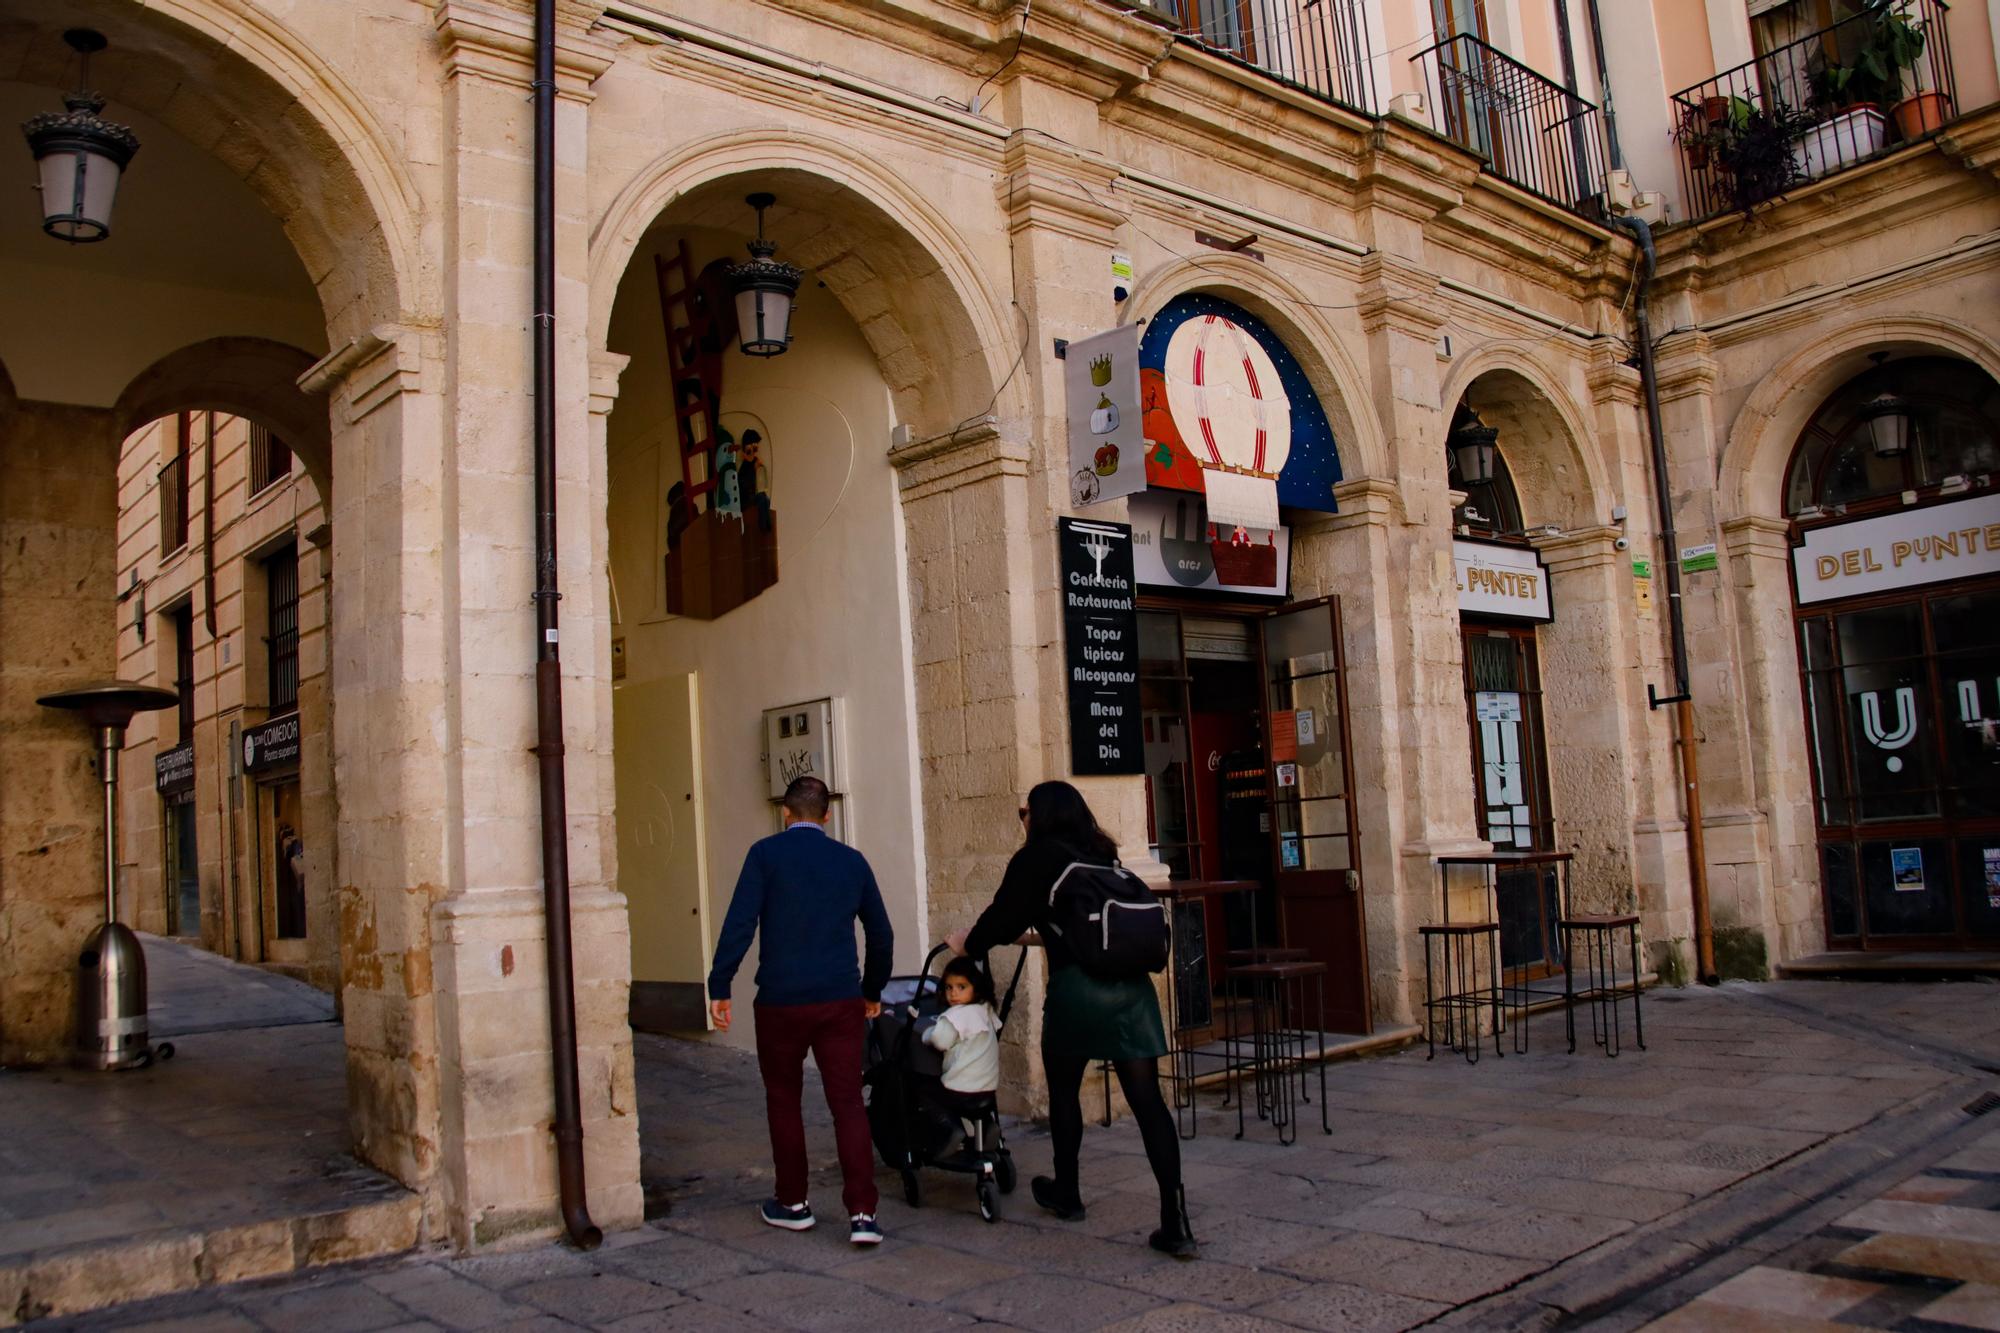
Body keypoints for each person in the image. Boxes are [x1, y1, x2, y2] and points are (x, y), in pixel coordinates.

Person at [950, 781, 1196, 1258]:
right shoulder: (1101, 853)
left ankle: (1069, 1192)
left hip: (1078, 991)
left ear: (1040, 815)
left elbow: (1002, 918)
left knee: (1065, 1091)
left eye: (1025, 810)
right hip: (1131, 991)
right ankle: (1175, 1217)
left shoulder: (1036, 858)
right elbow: (1086, 926)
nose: (1022, 818)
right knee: (1148, 1104)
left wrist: (969, 945)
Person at [707, 775, 893, 1246]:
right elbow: (881, 934)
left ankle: (792, 1203)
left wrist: (720, 983)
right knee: (848, 1103)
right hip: (840, 1000)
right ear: (827, 816)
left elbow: (740, 922)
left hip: (781, 1000)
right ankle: (863, 1215)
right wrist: (872, 989)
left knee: (784, 1099)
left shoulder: (765, 855)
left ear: (785, 813)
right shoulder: (852, 862)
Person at [925, 956, 1001, 1101]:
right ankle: (984, 1122)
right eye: (949, 987)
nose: (954, 993)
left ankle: (951, 1124)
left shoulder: (956, 1015)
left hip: (960, 1087)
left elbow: (939, 1040)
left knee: (923, 1092)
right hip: (988, 1088)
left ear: (976, 988)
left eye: (961, 987)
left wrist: (927, 1035)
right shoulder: (985, 1009)